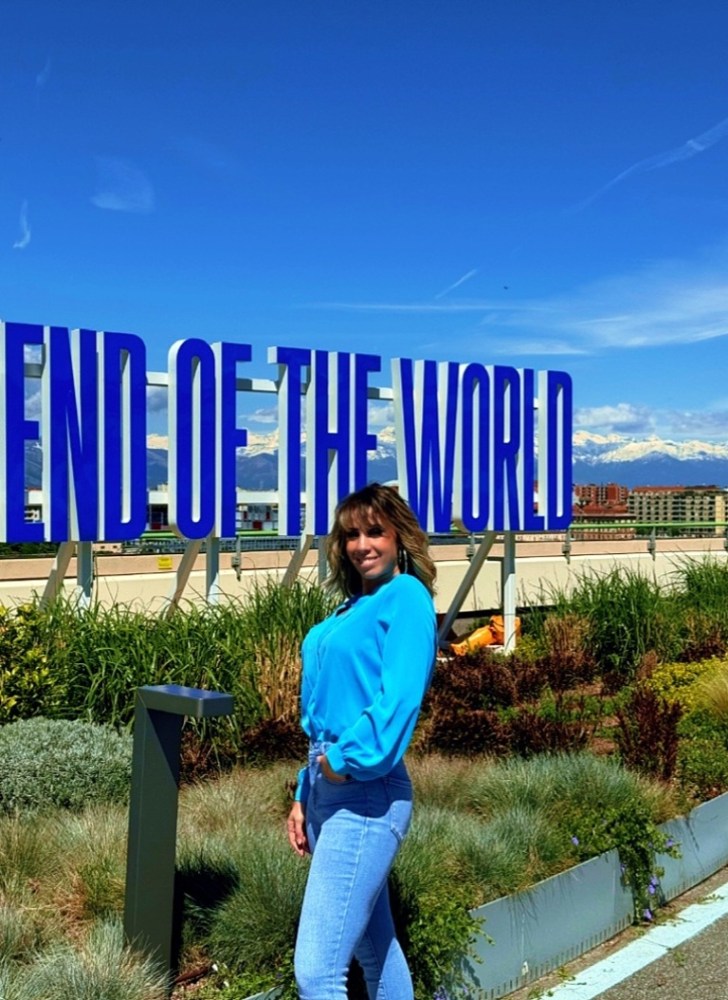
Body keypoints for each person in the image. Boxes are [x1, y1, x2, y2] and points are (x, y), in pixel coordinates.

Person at [287, 482, 437, 1000]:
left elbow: (397, 703)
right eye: (351, 534)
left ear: (400, 537)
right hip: (330, 788)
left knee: (317, 973)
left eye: (375, 531)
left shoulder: (407, 598)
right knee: (376, 951)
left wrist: (340, 765)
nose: (362, 544)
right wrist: (307, 791)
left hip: (366, 792)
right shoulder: (353, 606)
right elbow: (325, 713)